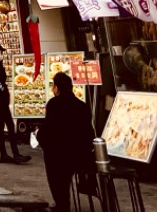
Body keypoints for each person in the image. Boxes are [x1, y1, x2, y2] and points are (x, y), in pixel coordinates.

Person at [37, 72, 95, 212]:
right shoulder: (83, 106)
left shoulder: (53, 104)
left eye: (53, 86)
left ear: (56, 88)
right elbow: (89, 133)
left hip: (60, 158)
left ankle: (62, 204)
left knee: (52, 158)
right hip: (81, 156)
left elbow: (47, 131)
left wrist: (39, 137)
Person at [0, 43, 30, 165]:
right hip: (1, 100)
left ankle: (6, 154)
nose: (2, 54)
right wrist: (3, 90)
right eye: (0, 52)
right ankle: (14, 154)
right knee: (9, 125)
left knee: (1, 127)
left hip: (0, 100)